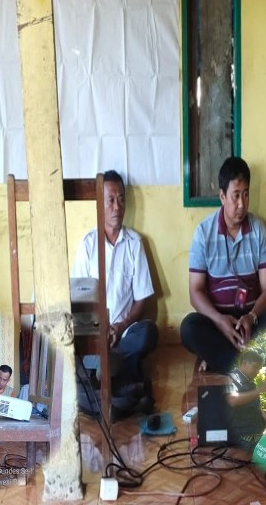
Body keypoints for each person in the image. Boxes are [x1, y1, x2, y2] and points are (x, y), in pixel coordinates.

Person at [182, 157, 266, 374]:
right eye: (236, 195)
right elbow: (195, 292)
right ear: (222, 196)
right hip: (218, 323)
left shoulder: (258, 230)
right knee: (189, 328)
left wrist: (251, 317)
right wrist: (219, 321)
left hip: (252, 321)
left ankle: (224, 359)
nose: (242, 204)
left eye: (246, 194)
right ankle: (246, 362)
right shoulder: (203, 233)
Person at [71, 170, 159, 412]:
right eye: (110, 200)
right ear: (99, 204)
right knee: (74, 346)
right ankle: (124, 385)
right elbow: (78, 299)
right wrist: (99, 332)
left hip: (125, 331)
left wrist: (120, 327)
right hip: (94, 332)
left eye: (121, 199)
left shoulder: (134, 243)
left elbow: (141, 300)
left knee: (148, 333)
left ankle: (108, 374)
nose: (117, 207)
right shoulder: (88, 244)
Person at [227, 350, 266, 450]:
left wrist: (265, 418)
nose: (257, 371)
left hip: (255, 435)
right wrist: (259, 390)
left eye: (259, 369)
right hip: (241, 437)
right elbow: (233, 400)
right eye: (255, 367)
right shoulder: (231, 378)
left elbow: (254, 405)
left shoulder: (250, 382)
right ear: (244, 363)